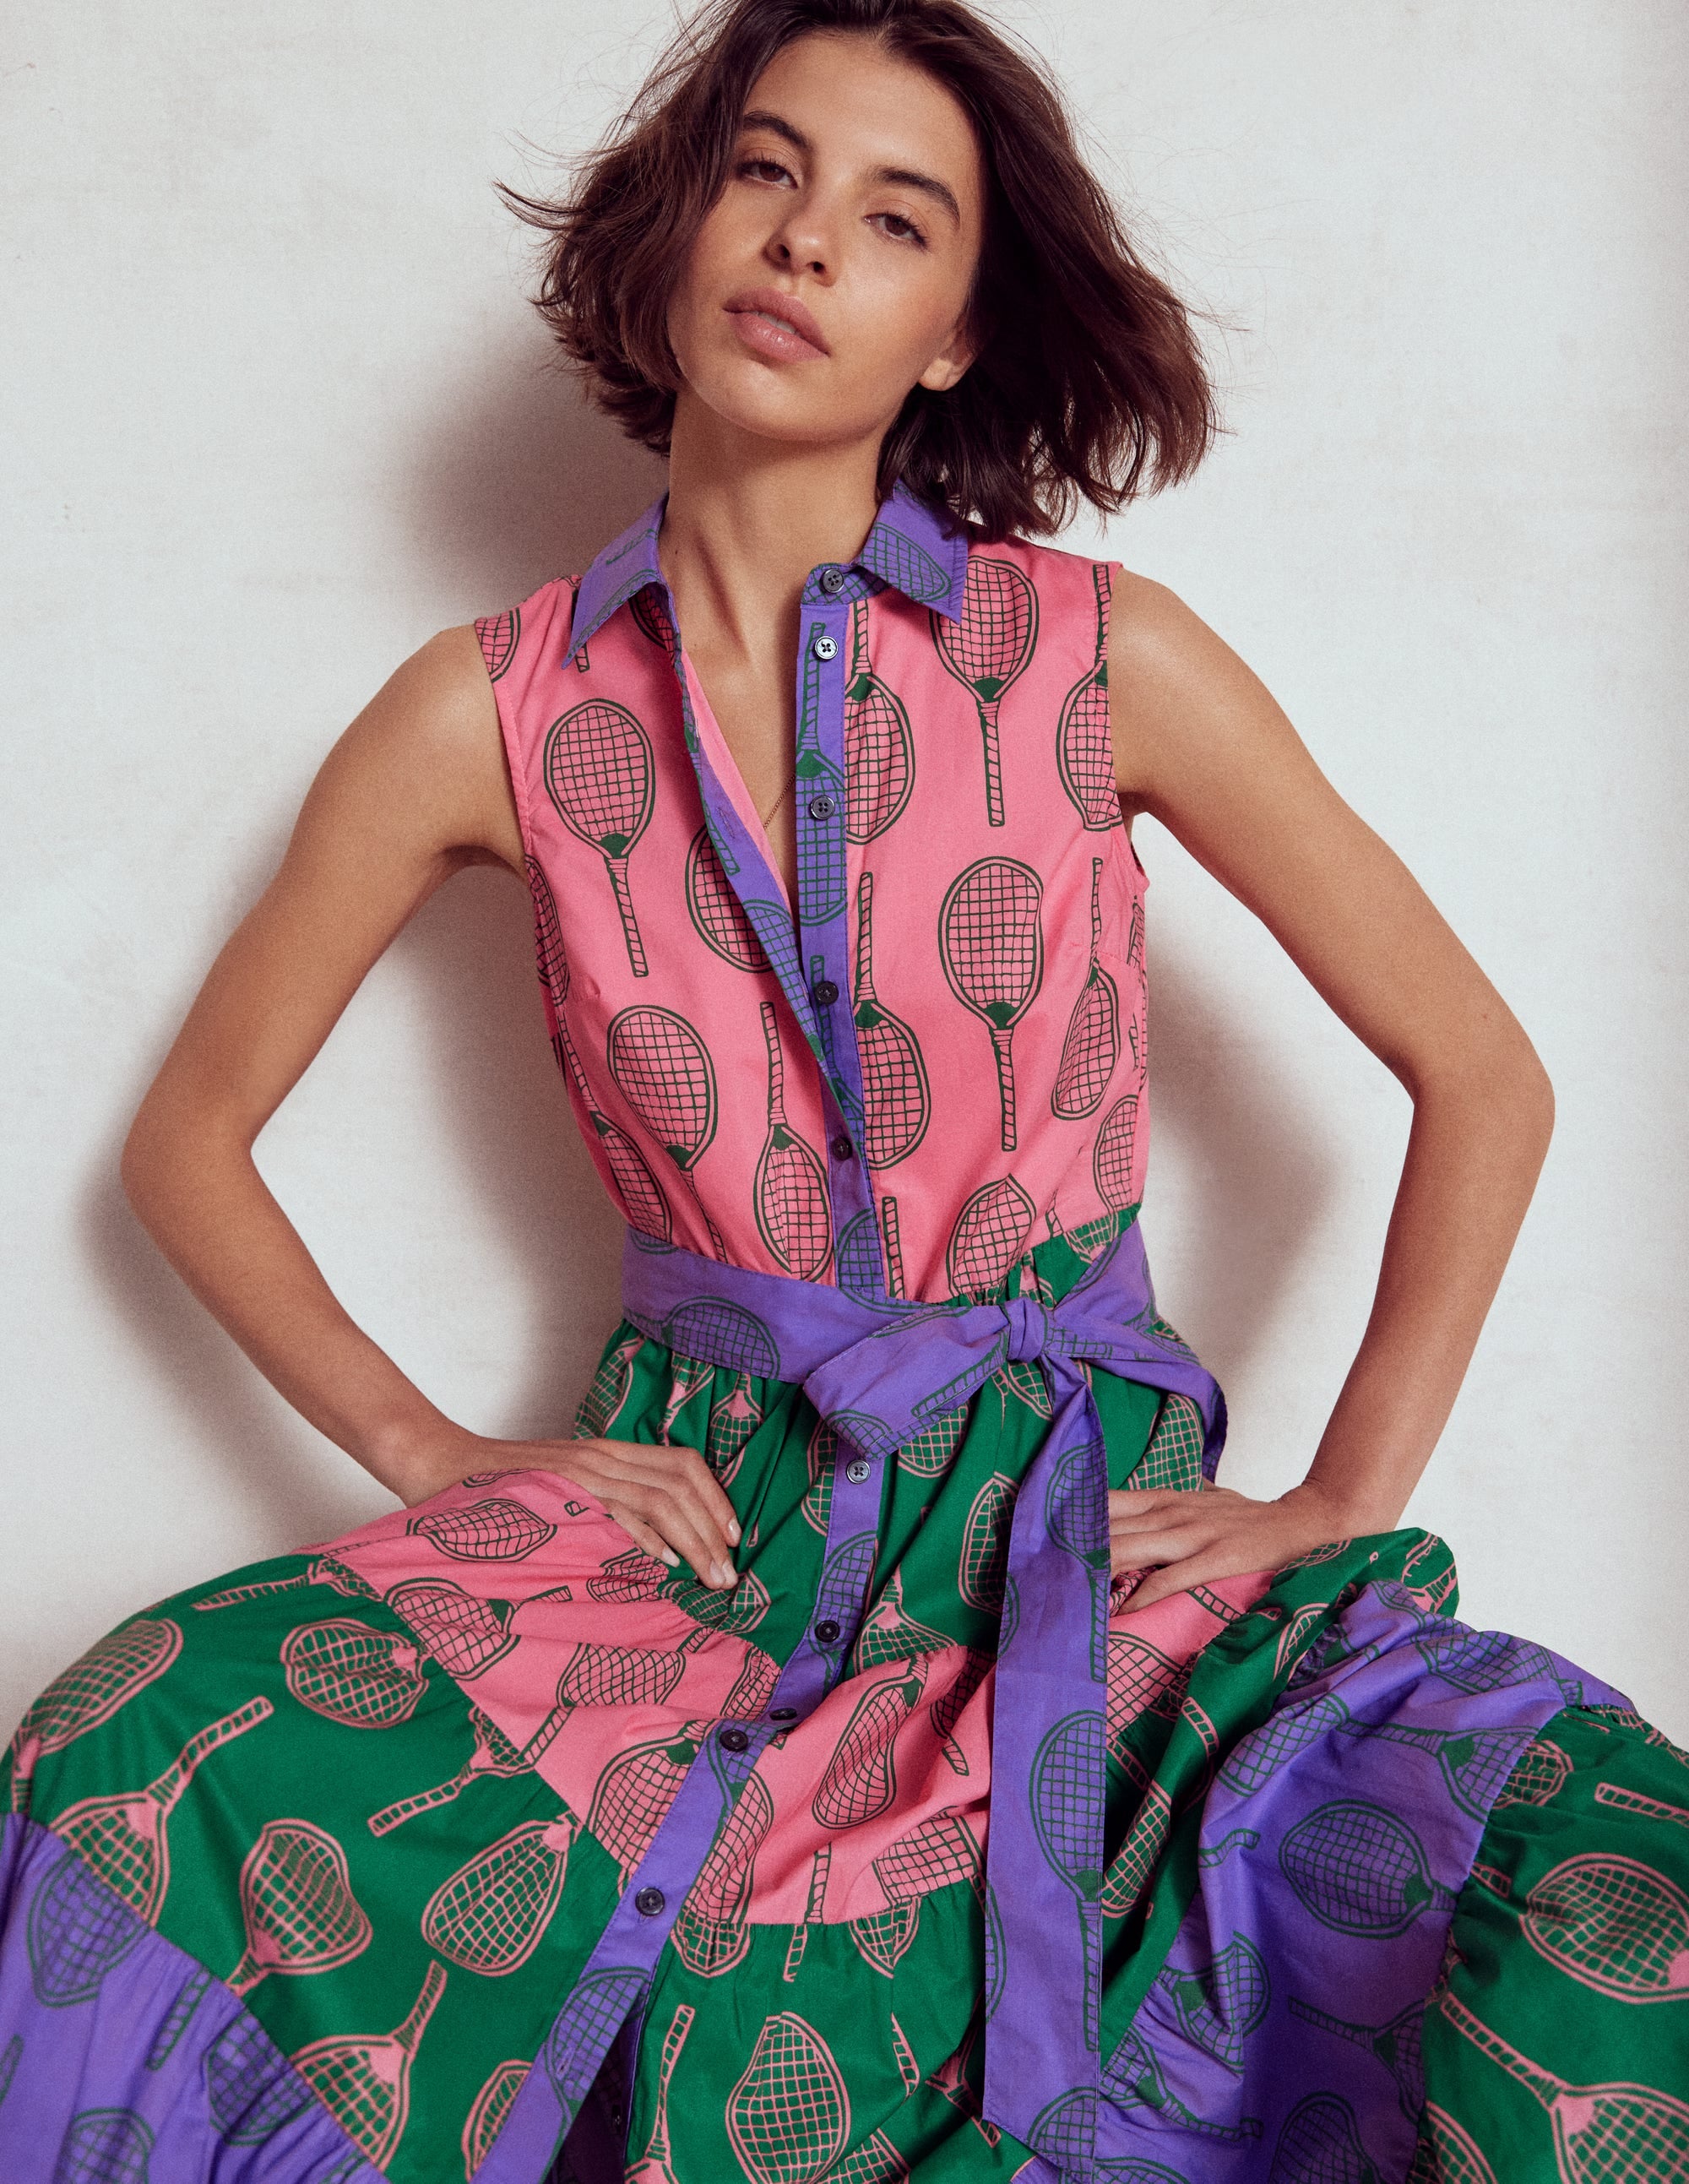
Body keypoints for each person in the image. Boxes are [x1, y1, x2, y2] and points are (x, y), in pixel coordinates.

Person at [3, 1, 1684, 2179]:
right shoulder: (479, 715)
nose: (803, 244)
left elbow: (1486, 1072)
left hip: (1077, 1530)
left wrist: (1343, 1498)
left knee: (1598, 1874)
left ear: (958, 331)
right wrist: (438, 1454)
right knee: (135, 1753)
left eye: (893, 218)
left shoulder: (1100, 659)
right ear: (678, 225)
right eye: (765, 171)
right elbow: (185, 1146)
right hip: (700, 1536)